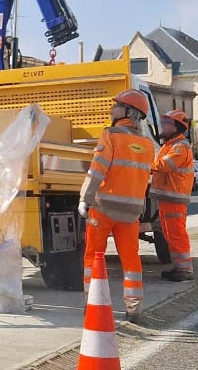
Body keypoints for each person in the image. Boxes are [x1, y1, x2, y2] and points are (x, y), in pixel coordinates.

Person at [78, 89, 154, 323]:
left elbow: (96, 171)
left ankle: (93, 307)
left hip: (103, 209)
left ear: (129, 111)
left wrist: (85, 198)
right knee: (131, 260)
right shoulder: (147, 144)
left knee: (93, 258)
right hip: (130, 213)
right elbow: (144, 180)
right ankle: (134, 310)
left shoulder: (110, 135)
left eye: (117, 106)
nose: (112, 109)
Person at [151, 109, 194, 282]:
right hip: (168, 198)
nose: (162, 126)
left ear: (177, 127)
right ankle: (179, 267)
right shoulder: (169, 145)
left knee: (176, 233)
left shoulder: (180, 146)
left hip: (174, 198)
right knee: (169, 233)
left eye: (166, 123)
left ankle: (184, 269)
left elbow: (163, 165)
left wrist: (144, 160)